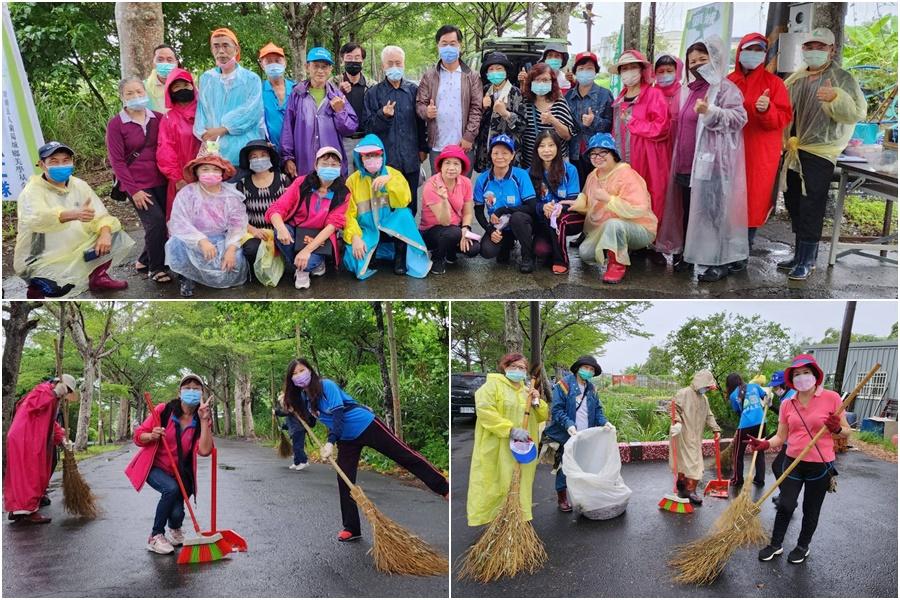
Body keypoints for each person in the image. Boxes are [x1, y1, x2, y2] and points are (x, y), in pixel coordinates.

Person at [284, 358, 448, 542]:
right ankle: (352, 528)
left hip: (366, 425)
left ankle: (444, 488)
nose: (299, 375)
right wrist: (294, 408)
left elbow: (338, 416)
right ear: (291, 380)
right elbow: (312, 422)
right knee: (344, 479)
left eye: (302, 370)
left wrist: (330, 442)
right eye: (295, 374)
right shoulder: (305, 398)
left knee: (404, 455)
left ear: (310, 370)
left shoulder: (326, 385)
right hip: (346, 439)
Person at [655, 36, 749, 282]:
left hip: (714, 164)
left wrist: (711, 112)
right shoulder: (687, 90)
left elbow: (739, 119)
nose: (697, 65)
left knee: (714, 214)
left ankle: (720, 261)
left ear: (715, 60)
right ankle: (688, 254)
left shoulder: (726, 89)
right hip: (686, 163)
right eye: (692, 61)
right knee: (689, 211)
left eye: (703, 59)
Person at [778, 27, 867, 281]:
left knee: (811, 204)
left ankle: (808, 259)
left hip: (819, 152)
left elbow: (856, 113)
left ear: (832, 49)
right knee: (794, 201)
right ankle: (798, 254)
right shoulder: (796, 78)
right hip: (794, 149)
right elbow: (783, 110)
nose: (814, 51)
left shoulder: (842, 78)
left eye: (820, 46)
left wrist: (836, 97)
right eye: (809, 46)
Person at [749, 354, 849, 564]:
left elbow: (847, 432)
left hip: (820, 465)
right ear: (791, 379)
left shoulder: (831, 398)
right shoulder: (788, 403)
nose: (802, 377)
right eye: (797, 374)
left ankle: (803, 546)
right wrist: (765, 444)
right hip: (793, 462)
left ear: (815, 375)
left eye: (806, 372)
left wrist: (837, 428)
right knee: (785, 504)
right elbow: (781, 436)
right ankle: (775, 544)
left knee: (810, 509)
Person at [14, 141, 134, 298]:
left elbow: (101, 216)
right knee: (57, 290)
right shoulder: (32, 191)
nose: (61, 165)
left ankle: (99, 277)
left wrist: (105, 233)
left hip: (75, 246)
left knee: (112, 232)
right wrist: (71, 214)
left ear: (72, 162)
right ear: (42, 165)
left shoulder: (79, 185)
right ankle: (36, 286)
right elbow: (36, 219)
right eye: (54, 161)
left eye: (65, 160)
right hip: (42, 255)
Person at [125, 374, 214, 554]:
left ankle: (175, 529)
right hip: (154, 467)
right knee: (171, 489)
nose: (191, 391)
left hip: (179, 472)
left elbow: (204, 451)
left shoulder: (201, 419)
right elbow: (138, 436)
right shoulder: (164, 411)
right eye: (187, 388)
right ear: (179, 392)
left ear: (202, 394)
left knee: (177, 513)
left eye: (196, 388)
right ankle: (155, 536)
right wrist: (151, 435)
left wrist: (204, 420)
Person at [728, 34, 793, 252]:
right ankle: (724, 250)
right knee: (727, 201)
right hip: (730, 152)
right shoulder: (729, 82)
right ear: (740, 52)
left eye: (759, 50)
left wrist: (767, 110)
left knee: (752, 201)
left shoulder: (774, 84)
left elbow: (783, 118)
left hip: (758, 154)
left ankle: (742, 251)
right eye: (750, 49)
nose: (754, 54)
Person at [467, 353, 548, 526]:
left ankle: (517, 521)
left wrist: (536, 400)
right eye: (514, 367)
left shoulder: (527, 390)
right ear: (505, 367)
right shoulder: (492, 386)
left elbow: (543, 416)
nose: (518, 370)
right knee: (497, 484)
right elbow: (485, 411)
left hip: (522, 449)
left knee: (520, 485)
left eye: (522, 368)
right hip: (498, 448)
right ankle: (498, 523)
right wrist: (509, 430)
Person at [107, 76, 170, 284]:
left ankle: (143, 260)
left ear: (146, 93)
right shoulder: (116, 125)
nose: (135, 96)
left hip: (163, 179)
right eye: (130, 93)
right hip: (138, 184)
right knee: (156, 222)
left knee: (165, 222)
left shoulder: (158, 118)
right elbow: (117, 161)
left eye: (139, 92)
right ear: (122, 97)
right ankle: (157, 268)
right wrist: (133, 190)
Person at [571, 133, 658, 284]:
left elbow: (638, 208)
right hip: (603, 228)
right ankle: (616, 248)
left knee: (614, 224)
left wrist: (609, 199)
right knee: (586, 254)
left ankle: (617, 265)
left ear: (613, 154)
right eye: (593, 153)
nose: (597, 157)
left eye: (602, 152)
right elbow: (585, 196)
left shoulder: (626, 174)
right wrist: (579, 202)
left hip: (639, 227)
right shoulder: (593, 175)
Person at [342, 133, 431, 279]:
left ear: (382, 155)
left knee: (404, 214)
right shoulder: (352, 181)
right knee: (353, 260)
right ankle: (374, 254)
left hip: (391, 227)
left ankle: (400, 257)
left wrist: (389, 182)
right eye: (367, 156)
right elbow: (348, 214)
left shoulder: (393, 174)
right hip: (368, 229)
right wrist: (355, 237)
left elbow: (404, 201)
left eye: (375, 155)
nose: (371, 159)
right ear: (360, 158)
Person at [165, 150, 249, 297]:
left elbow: (237, 225)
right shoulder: (187, 193)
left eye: (216, 169)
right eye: (205, 169)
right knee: (175, 243)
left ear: (222, 173)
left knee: (232, 264)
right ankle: (186, 277)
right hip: (194, 241)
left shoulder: (230, 195)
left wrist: (230, 249)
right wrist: (201, 240)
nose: (210, 173)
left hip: (222, 240)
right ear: (196, 172)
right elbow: (179, 222)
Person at [610, 50, 671, 247]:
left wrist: (634, 122)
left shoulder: (654, 95)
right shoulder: (619, 100)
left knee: (652, 196)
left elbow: (662, 127)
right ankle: (631, 241)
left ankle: (653, 242)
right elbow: (615, 131)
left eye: (632, 67)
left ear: (642, 70)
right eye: (624, 69)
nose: (628, 72)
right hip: (623, 161)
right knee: (625, 198)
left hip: (648, 158)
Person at [266, 146, 349, 290]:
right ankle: (302, 267)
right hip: (296, 231)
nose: (329, 167)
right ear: (316, 165)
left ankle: (305, 267)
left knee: (309, 262)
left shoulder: (343, 192)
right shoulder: (302, 183)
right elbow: (277, 208)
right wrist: (280, 228)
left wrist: (307, 250)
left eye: (334, 165)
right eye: (325, 163)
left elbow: (333, 225)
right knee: (280, 232)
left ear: (340, 168)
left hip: (320, 236)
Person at [363, 45, 428, 215]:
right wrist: (383, 115)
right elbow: (368, 128)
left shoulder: (414, 91)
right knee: (385, 206)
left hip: (410, 159)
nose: (394, 67)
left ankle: (406, 239)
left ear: (404, 64)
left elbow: (421, 123)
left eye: (398, 63)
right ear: (383, 66)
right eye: (390, 63)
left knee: (409, 203)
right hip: (385, 162)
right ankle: (387, 241)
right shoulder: (373, 93)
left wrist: (423, 148)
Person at [4, 375, 75, 524]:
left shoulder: (51, 398)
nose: (66, 393)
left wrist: (62, 438)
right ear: (58, 384)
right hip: (26, 436)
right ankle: (28, 511)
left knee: (24, 474)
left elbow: (50, 423)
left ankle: (18, 510)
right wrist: (53, 393)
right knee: (29, 474)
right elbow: (33, 405)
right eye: (67, 389)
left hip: (28, 436)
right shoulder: (43, 390)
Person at [542, 356, 608, 512]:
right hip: (567, 435)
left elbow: (597, 410)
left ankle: (583, 496)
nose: (588, 371)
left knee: (585, 466)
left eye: (592, 370)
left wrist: (604, 422)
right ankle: (562, 497)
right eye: (586, 368)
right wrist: (569, 424)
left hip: (586, 435)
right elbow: (557, 410)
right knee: (564, 466)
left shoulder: (591, 388)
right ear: (578, 368)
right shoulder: (563, 385)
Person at [281, 47, 358, 179]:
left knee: (332, 197)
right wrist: (288, 157)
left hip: (331, 163)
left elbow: (350, 128)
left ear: (330, 70)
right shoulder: (297, 94)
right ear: (307, 67)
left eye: (325, 66)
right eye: (316, 66)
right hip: (304, 161)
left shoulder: (337, 95)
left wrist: (340, 112)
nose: (320, 71)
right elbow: (288, 127)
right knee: (306, 196)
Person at [416, 25, 483, 175]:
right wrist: (426, 111)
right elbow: (420, 103)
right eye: (444, 44)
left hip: (463, 145)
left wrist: (469, 136)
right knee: (439, 192)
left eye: (452, 44)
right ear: (438, 46)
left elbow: (477, 108)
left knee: (462, 192)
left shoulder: (471, 76)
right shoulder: (429, 76)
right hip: (438, 146)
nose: (448, 47)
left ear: (460, 45)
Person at [194, 28, 266, 166]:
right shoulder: (206, 79)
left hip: (244, 150)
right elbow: (202, 112)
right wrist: (206, 136)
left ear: (236, 49)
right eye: (216, 46)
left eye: (225, 45)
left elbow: (251, 113)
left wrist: (223, 129)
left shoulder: (251, 79)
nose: (221, 51)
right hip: (215, 154)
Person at [473, 134, 538, 273]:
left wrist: (504, 209)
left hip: (521, 222)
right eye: (496, 153)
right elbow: (478, 210)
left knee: (517, 218)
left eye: (505, 153)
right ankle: (507, 243)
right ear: (490, 155)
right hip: (499, 226)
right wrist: (490, 230)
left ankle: (527, 256)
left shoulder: (520, 175)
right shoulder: (482, 179)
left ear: (512, 155)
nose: (500, 157)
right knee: (487, 251)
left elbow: (531, 206)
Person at [419, 145, 480, 274]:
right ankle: (437, 259)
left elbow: (468, 212)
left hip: (456, 228)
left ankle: (450, 250)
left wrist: (466, 229)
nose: (451, 168)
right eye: (447, 163)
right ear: (440, 166)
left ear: (462, 167)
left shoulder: (466, 182)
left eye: (456, 164)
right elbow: (444, 221)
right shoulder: (431, 185)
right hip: (431, 231)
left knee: (474, 248)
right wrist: (444, 200)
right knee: (453, 233)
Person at [233, 140, 291, 270]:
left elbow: (292, 209)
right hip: (255, 232)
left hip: (281, 230)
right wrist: (253, 230)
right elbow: (237, 214)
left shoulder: (283, 180)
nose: (259, 159)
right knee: (251, 248)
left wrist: (281, 229)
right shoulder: (242, 184)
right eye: (254, 157)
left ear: (270, 157)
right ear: (248, 161)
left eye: (263, 155)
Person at [529, 131, 581, 273]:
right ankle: (553, 245)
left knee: (557, 219)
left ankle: (561, 260)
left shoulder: (570, 170)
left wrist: (557, 208)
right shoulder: (530, 172)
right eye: (542, 146)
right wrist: (543, 207)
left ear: (558, 147)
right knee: (541, 251)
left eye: (551, 145)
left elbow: (573, 199)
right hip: (543, 219)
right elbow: (530, 202)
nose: (547, 150)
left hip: (566, 216)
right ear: (536, 150)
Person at [669, 369, 721, 505]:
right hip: (683, 434)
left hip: (696, 437)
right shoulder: (683, 393)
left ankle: (684, 485)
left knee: (693, 463)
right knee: (692, 464)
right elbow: (674, 408)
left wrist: (716, 429)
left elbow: (709, 415)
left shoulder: (704, 399)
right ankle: (689, 489)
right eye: (707, 386)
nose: (707, 389)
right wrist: (678, 422)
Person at [157, 67, 202, 218]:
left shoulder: (205, 111)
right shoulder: (169, 118)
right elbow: (165, 151)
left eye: (186, 85)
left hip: (208, 172)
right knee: (184, 219)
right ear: (170, 92)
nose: (182, 89)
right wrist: (177, 179)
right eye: (177, 86)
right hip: (182, 177)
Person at [565, 51, 614, 186]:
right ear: (575, 72)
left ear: (595, 71)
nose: (585, 72)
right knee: (577, 192)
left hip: (597, 154)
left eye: (589, 68)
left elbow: (610, 126)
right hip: (573, 154)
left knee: (597, 192)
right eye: (581, 69)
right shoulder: (568, 97)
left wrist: (594, 121)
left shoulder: (605, 95)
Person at [473, 51, 526, 172]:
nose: (495, 72)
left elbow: (523, 126)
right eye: (491, 69)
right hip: (486, 153)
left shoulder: (515, 92)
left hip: (508, 154)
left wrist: (506, 113)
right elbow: (475, 120)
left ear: (506, 71)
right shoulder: (484, 90)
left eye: (499, 68)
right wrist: (483, 108)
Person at [519, 63, 577, 169]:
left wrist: (553, 120)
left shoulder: (559, 102)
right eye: (537, 80)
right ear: (531, 82)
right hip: (531, 164)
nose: (541, 83)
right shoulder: (525, 102)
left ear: (552, 83)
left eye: (545, 80)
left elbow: (568, 136)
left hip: (555, 164)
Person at [334, 43, 373, 173]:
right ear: (342, 60)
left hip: (366, 140)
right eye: (349, 57)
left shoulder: (372, 85)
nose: (353, 61)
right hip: (342, 141)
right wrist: (338, 92)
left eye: (357, 58)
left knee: (366, 180)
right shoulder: (332, 84)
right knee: (346, 182)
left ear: (363, 60)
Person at [726, 372, 768, 488]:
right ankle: (760, 480)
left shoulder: (733, 395)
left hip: (746, 425)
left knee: (738, 453)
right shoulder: (754, 386)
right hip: (761, 423)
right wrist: (766, 401)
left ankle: (738, 480)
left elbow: (738, 412)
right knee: (759, 450)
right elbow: (765, 396)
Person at [258, 42, 295, 155]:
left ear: (285, 63)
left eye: (277, 61)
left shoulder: (296, 89)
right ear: (262, 65)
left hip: (296, 152)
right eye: (268, 61)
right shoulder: (258, 91)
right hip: (269, 152)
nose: (273, 65)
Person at [768, 369, 796, 507]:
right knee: (782, 468)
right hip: (788, 440)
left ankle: (788, 498)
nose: (775, 389)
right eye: (774, 387)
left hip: (793, 442)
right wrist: (771, 406)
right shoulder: (786, 396)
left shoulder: (791, 397)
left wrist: (768, 439)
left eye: (777, 386)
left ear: (785, 384)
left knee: (778, 467)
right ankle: (785, 496)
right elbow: (783, 416)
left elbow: (787, 423)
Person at [277, 376, 316, 471]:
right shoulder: (290, 410)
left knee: (298, 447)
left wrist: (277, 412)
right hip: (294, 430)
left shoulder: (294, 405)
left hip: (299, 429)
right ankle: (297, 462)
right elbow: (288, 421)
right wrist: (283, 427)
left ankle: (304, 461)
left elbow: (287, 412)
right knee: (296, 447)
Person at [653, 53, 684, 154]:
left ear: (677, 72)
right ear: (655, 74)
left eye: (669, 71)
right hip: (656, 146)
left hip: (679, 143)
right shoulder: (651, 94)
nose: (665, 74)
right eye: (661, 71)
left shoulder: (684, 93)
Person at [144, 44, 180, 114]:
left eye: (169, 60)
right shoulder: (143, 88)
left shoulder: (186, 85)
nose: (165, 63)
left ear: (176, 64)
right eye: (160, 60)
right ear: (153, 63)